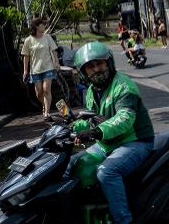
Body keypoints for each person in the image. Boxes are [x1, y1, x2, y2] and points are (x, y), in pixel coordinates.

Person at [67, 42, 155, 224]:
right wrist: (70, 126)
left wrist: (95, 132)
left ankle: (124, 220)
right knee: (75, 165)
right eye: (90, 67)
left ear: (109, 63)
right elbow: (91, 118)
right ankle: (96, 216)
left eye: (99, 64)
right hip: (109, 143)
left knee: (107, 172)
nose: (96, 69)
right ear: (84, 73)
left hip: (135, 141)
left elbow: (125, 118)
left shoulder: (123, 85)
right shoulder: (91, 91)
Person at [21, 17, 59, 121]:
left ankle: (47, 112)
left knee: (47, 90)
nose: (44, 26)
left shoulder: (47, 37)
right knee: (39, 93)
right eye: (42, 24)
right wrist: (25, 71)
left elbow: (54, 50)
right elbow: (26, 56)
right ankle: (45, 104)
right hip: (35, 70)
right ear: (36, 26)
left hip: (48, 67)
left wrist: (56, 62)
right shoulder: (28, 40)